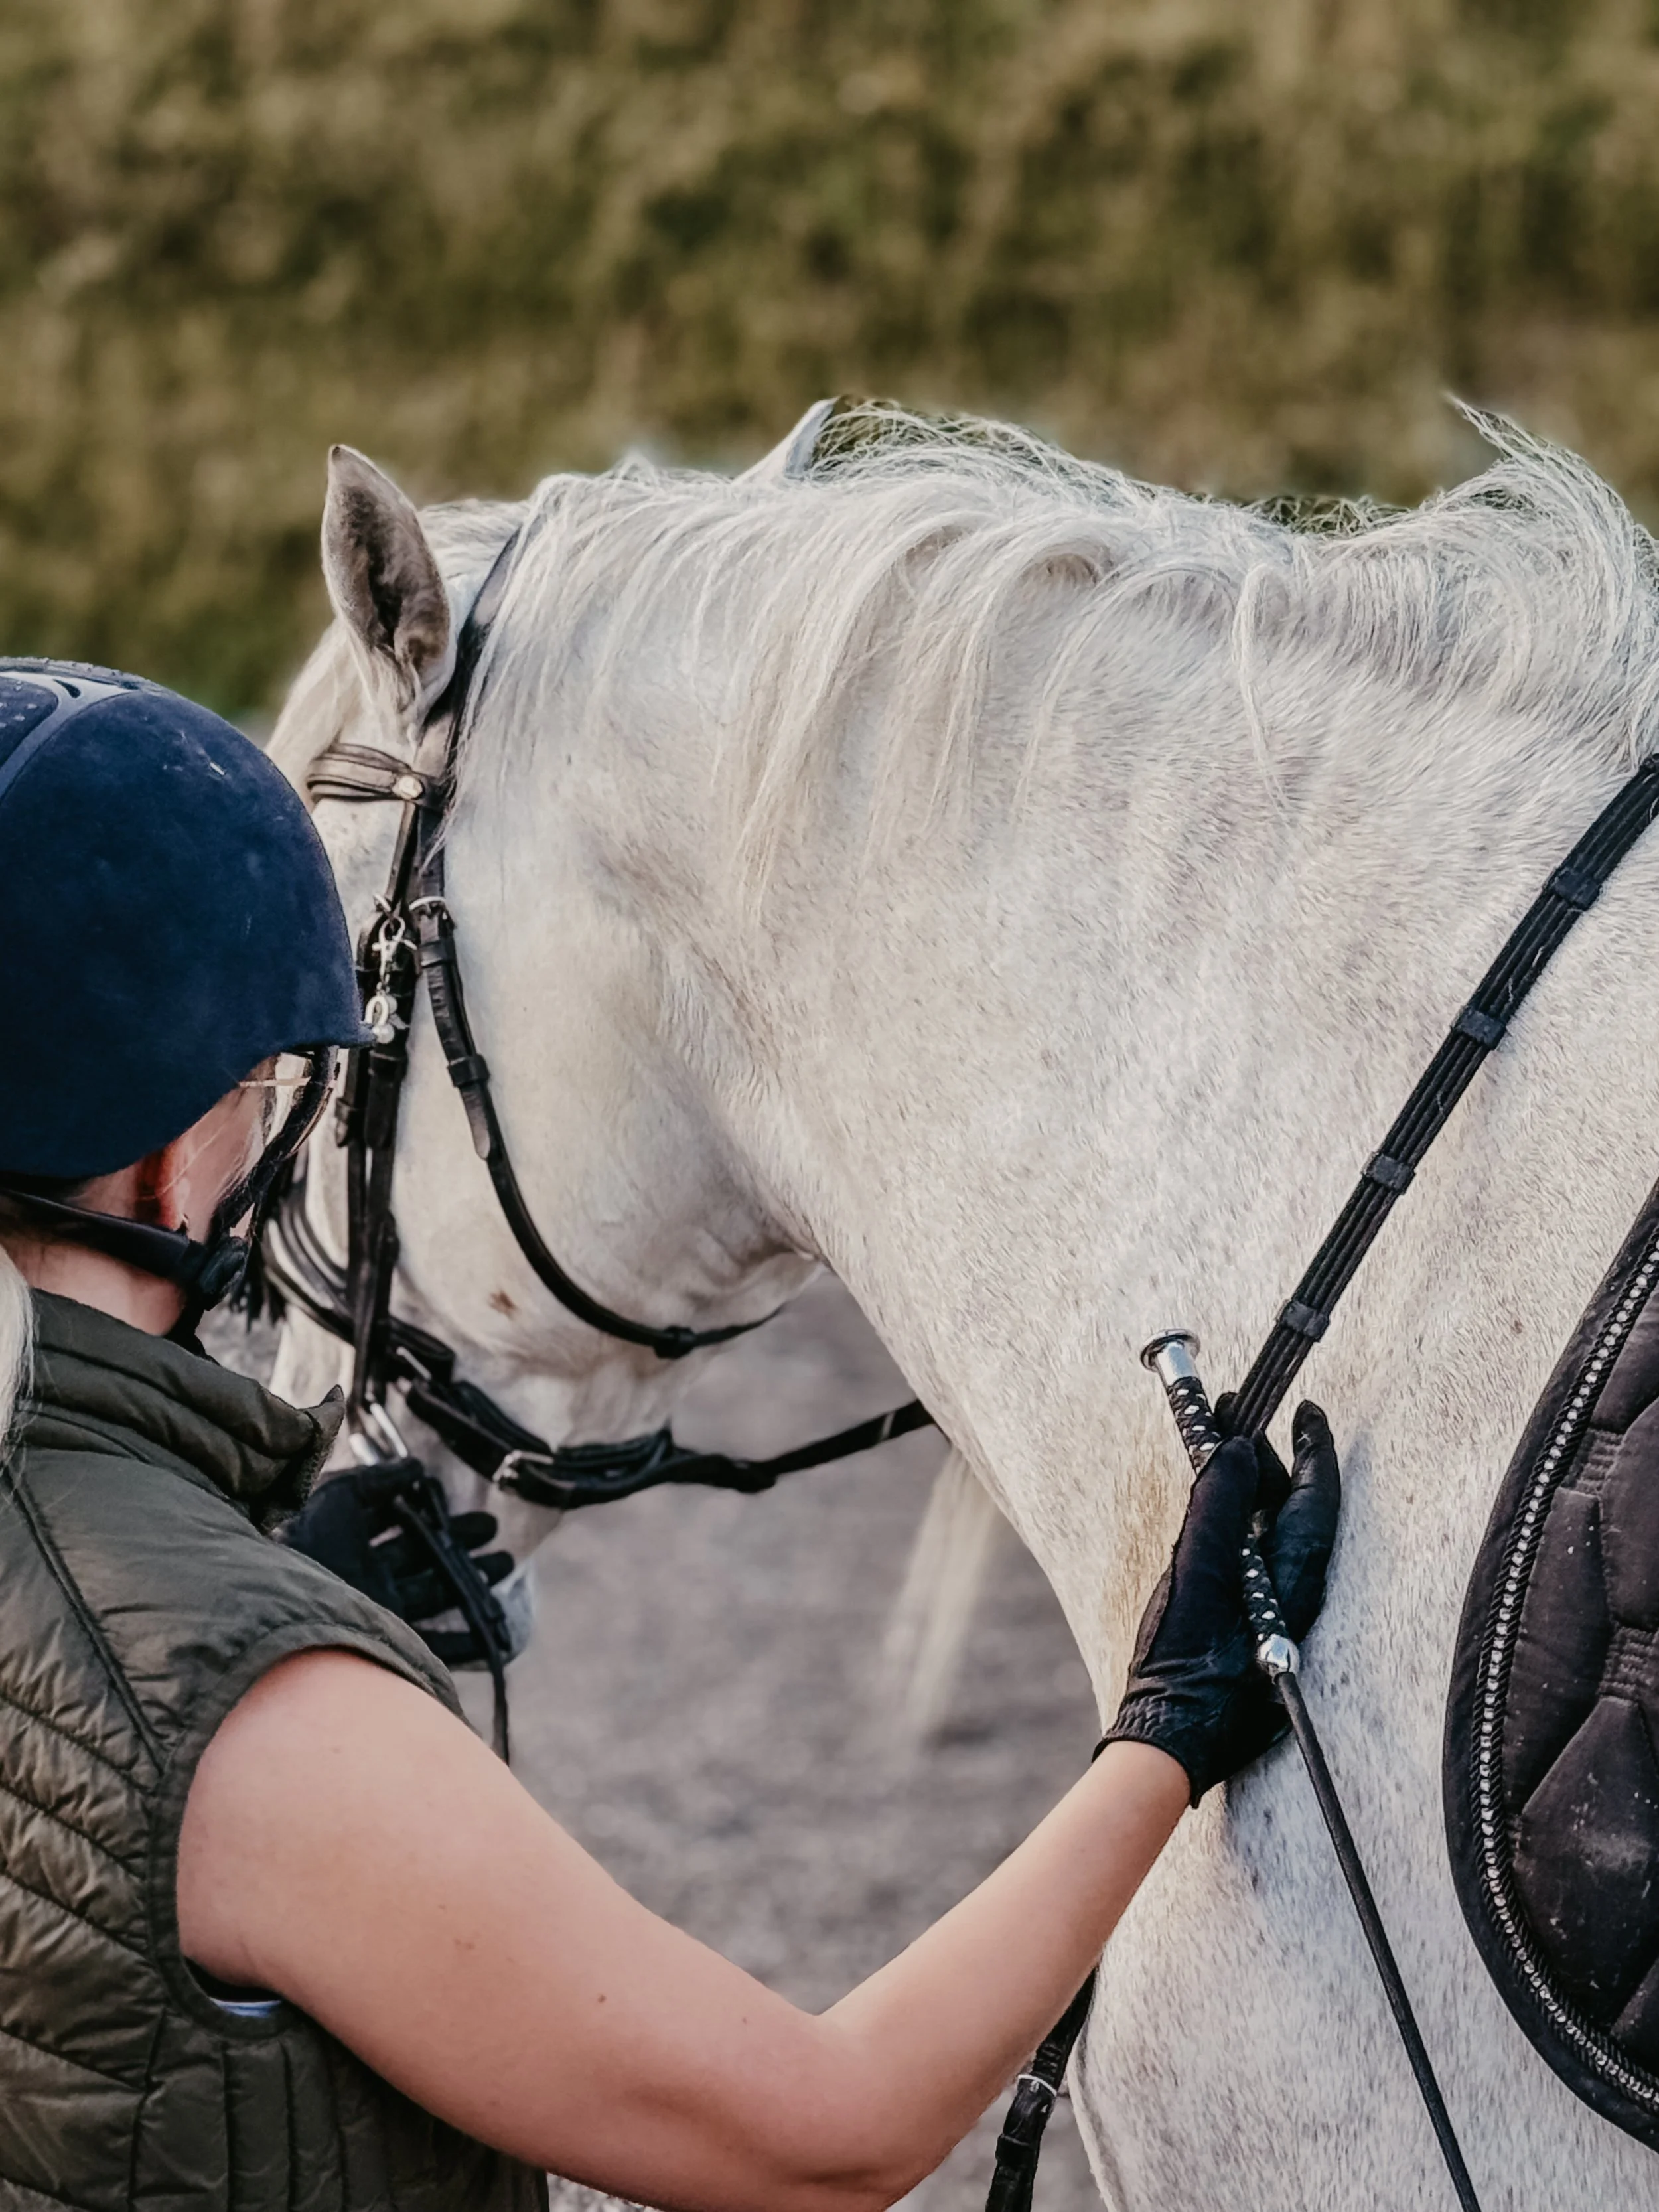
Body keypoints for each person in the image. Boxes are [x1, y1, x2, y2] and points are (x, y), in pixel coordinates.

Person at [0, 656, 1341, 2212]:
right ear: (171, 1167)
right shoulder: (252, 1721)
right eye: (260, 1086)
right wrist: (1162, 1733)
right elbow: (823, 2136)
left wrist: (250, 1587)